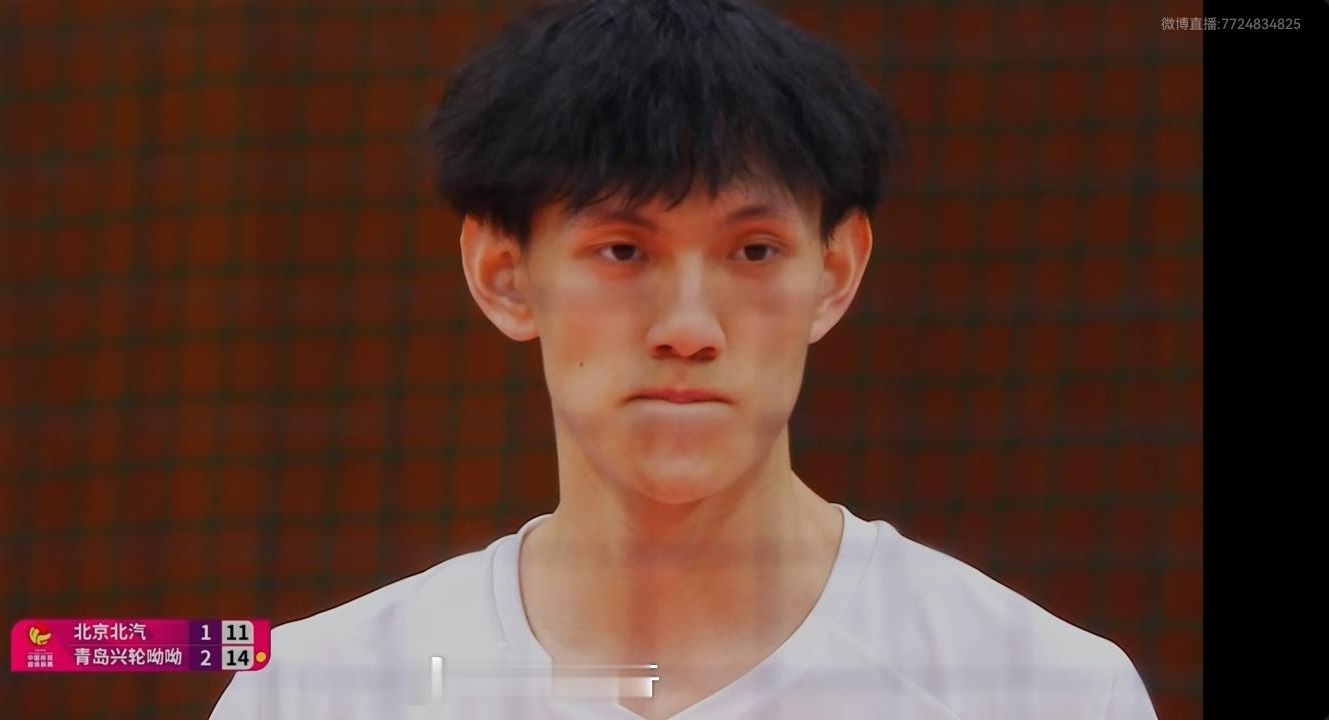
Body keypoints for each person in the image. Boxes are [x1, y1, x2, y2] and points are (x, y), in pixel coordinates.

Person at [210, 0, 1159, 717]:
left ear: (834, 273)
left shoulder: (1046, 693)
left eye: (755, 251)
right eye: (623, 251)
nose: (689, 327)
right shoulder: (314, 694)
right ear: (504, 274)